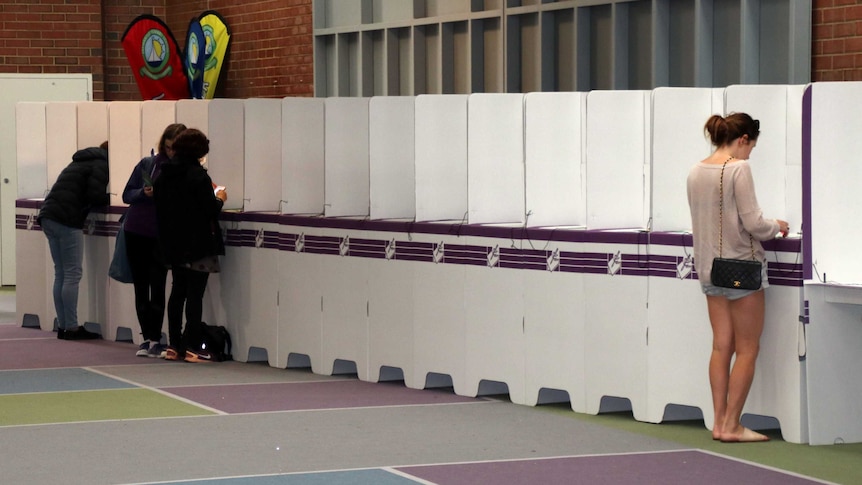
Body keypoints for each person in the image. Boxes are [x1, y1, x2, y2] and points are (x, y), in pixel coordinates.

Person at [687, 113, 789, 443]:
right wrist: (778, 226)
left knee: (721, 346)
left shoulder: (696, 170)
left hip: (708, 269)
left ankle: (718, 423)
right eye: (751, 147)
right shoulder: (738, 168)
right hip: (741, 270)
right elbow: (754, 224)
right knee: (747, 348)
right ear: (743, 139)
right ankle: (732, 425)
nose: (749, 155)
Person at [153, 128, 227, 363]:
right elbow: (209, 209)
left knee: (177, 293)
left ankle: (174, 345)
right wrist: (220, 198)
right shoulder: (198, 176)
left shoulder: (163, 175)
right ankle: (193, 346)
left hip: (173, 242)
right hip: (198, 243)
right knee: (195, 295)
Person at [122, 123, 187, 358]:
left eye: (175, 149)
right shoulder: (148, 163)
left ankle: (157, 338)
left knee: (158, 286)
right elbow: (127, 194)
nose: (171, 152)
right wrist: (143, 193)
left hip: (161, 234)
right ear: (163, 145)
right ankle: (147, 337)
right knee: (141, 286)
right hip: (136, 230)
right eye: (168, 147)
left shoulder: (184, 169)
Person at [38, 142, 110, 340]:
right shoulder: (101, 164)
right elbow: (95, 195)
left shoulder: (79, 162)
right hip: (67, 220)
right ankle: (71, 327)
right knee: (72, 273)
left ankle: (63, 325)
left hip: (48, 216)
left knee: (60, 272)